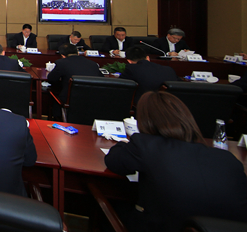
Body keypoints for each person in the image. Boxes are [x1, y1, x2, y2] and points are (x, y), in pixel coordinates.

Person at [104, 91, 247, 232]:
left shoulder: (146, 144)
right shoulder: (229, 159)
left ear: (145, 121)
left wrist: (124, 143)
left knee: (111, 201)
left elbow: (113, 161)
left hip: (160, 226)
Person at [47, 43, 102, 118]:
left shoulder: (61, 63)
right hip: (93, 100)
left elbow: (51, 78)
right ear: (78, 53)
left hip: (70, 101)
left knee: (52, 93)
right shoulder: (93, 64)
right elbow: (101, 79)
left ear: (63, 56)